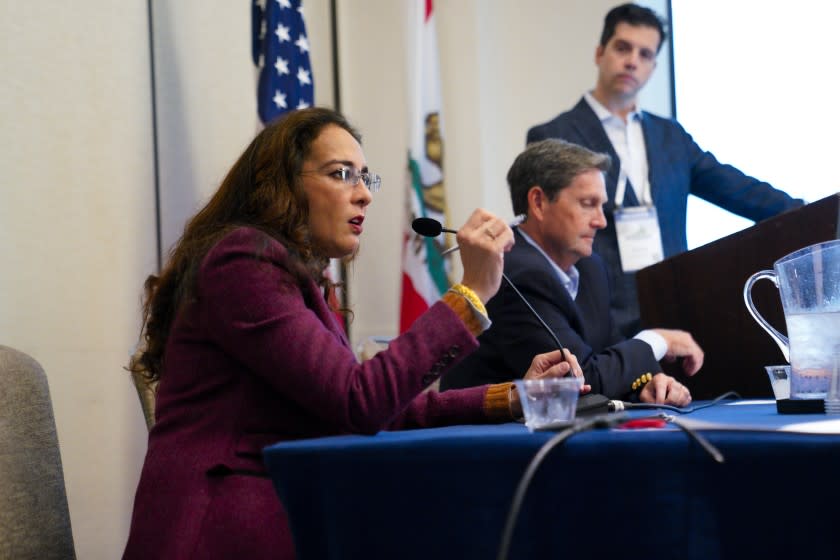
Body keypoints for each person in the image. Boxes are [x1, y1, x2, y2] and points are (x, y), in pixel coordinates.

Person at [122, 107, 587, 559]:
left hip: (284, 510)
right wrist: (468, 295)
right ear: (280, 184)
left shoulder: (301, 277)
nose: (363, 194)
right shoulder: (244, 261)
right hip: (217, 528)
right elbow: (358, 402)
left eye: (366, 177)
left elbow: (373, 407)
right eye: (342, 173)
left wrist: (512, 397)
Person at [526, 2, 804, 337]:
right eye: (623, 48)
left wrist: (806, 212)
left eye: (645, 54)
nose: (632, 61)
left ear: (654, 67)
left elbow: (737, 189)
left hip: (674, 314)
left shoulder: (671, 137)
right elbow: (542, 240)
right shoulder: (554, 136)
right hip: (597, 320)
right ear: (600, 53)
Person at [441, 139, 703, 405]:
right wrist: (657, 340)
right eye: (588, 203)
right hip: (486, 440)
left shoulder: (590, 268)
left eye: (602, 206)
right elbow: (580, 381)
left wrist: (648, 384)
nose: (600, 221)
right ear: (538, 202)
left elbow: (609, 353)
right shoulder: (514, 272)